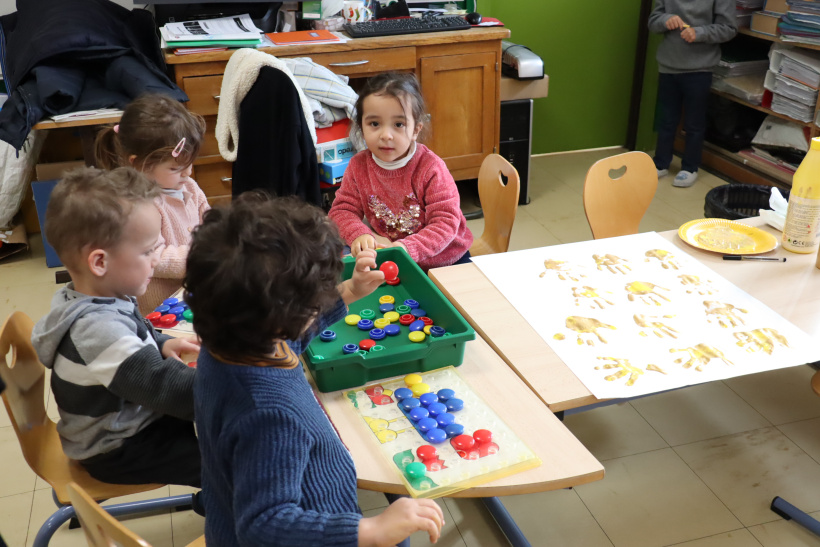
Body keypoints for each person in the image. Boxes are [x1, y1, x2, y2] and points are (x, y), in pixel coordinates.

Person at [186, 193, 445, 547]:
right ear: (281, 318)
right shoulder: (269, 415)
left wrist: (348, 292)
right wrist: (369, 531)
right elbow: (263, 524)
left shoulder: (227, 344)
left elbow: (287, 342)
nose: (321, 303)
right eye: (316, 300)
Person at [31, 167, 202, 488]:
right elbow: (165, 388)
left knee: (219, 426)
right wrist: (236, 384)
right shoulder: (98, 331)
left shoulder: (94, 296)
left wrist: (161, 342)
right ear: (100, 262)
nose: (156, 259)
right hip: (117, 448)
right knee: (232, 459)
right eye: (148, 251)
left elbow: (135, 328)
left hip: (129, 421)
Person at [328, 72, 473, 270]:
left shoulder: (430, 167)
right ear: (361, 127)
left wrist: (406, 249)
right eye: (374, 124)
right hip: (391, 256)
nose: (386, 135)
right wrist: (360, 234)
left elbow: (445, 223)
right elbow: (342, 210)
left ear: (416, 130)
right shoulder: (358, 166)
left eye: (398, 124)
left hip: (444, 259)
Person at [95, 93, 209, 313]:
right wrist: (202, 256)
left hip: (194, 296)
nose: (188, 173)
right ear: (139, 164)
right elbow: (154, 256)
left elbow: (210, 223)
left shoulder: (191, 188)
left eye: (190, 163)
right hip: (160, 308)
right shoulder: (137, 204)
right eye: (175, 168)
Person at [648, 0, 736, 188]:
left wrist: (700, 33)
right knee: (666, 119)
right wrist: (666, 19)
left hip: (700, 69)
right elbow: (653, 21)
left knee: (694, 123)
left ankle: (690, 167)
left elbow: (728, 28)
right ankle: (660, 163)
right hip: (668, 66)